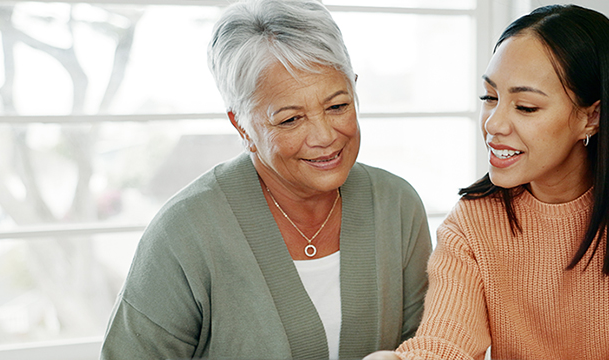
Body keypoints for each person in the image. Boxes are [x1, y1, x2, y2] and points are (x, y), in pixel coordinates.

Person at [365, 4, 609, 360]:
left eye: (525, 107)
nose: (493, 124)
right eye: (490, 98)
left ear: (592, 117)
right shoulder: (474, 219)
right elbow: (444, 342)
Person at [100, 0, 432, 359]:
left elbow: (429, 346)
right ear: (241, 125)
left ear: (354, 89)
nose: (324, 136)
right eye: (290, 119)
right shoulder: (184, 233)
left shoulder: (397, 206)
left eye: (337, 106)